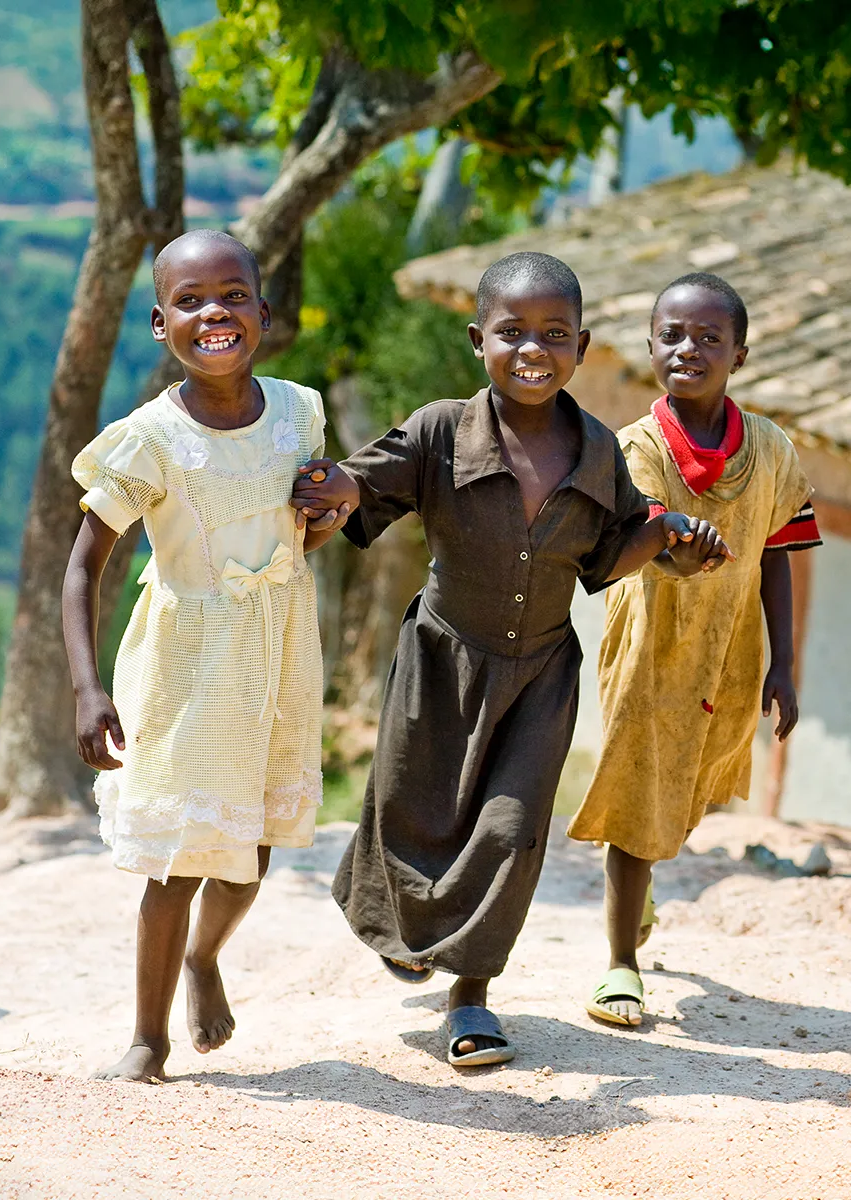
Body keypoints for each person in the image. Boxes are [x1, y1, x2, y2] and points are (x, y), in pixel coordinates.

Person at [292, 251, 728, 1068]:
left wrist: (672, 540)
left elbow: (609, 557)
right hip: (441, 658)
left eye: (554, 334)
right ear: (476, 339)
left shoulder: (599, 452)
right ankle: (402, 926)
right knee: (410, 806)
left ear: (584, 346)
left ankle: (471, 1000)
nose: (534, 349)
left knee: (513, 828)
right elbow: (364, 484)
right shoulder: (439, 430)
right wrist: (337, 488)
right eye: (512, 332)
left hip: (539, 676)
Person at [62, 229, 353, 1083]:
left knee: (251, 849)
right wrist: (86, 688)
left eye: (232, 295)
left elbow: (298, 544)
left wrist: (327, 515)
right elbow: (84, 566)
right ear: (161, 324)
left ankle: (205, 959)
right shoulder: (148, 439)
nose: (213, 312)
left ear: (265, 312)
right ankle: (147, 1038)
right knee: (182, 859)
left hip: (278, 662)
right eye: (190, 301)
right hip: (186, 669)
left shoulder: (300, 411)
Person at [567, 272, 821, 1028]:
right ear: (649, 347)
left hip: (731, 651)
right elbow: (654, 547)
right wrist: (680, 544)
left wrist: (783, 661)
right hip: (650, 644)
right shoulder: (633, 449)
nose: (689, 349)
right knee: (640, 792)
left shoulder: (772, 451)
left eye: (710, 338)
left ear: (739, 355)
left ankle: (635, 898)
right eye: (672, 335)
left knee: (688, 793)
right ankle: (620, 961)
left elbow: (778, 551)